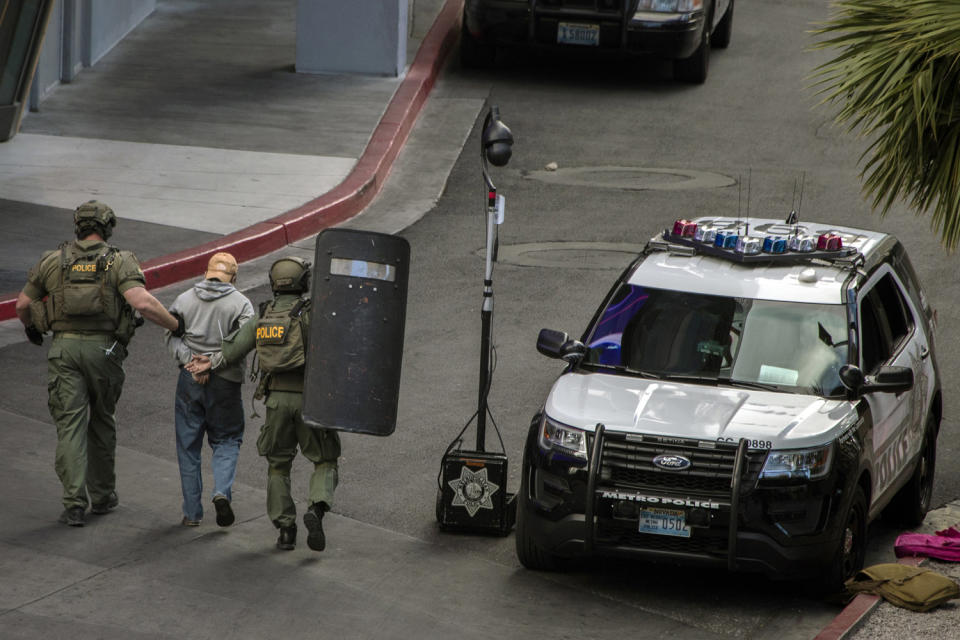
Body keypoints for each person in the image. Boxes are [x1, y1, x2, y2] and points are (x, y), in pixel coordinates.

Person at [14, 200, 184, 527]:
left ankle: (74, 504)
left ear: (77, 226)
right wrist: (176, 326)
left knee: (70, 425)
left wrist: (32, 327)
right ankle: (103, 496)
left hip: (63, 350)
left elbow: (23, 305)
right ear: (107, 228)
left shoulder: (53, 261)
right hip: (105, 352)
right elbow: (142, 303)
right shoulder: (119, 261)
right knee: (102, 420)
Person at [187, 256, 339, 552]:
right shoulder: (314, 314)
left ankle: (285, 530)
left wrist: (209, 362)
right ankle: (317, 508)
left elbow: (232, 349)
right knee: (324, 459)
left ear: (274, 284)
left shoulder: (264, 315)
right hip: (310, 400)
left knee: (278, 466)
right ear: (303, 282)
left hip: (276, 402)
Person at [165, 252, 254, 527]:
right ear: (234, 278)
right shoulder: (241, 304)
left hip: (189, 381)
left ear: (207, 273)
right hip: (225, 382)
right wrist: (212, 364)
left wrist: (191, 363)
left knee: (188, 445)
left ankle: (192, 513)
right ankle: (221, 492)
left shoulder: (183, 300)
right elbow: (245, 342)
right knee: (227, 439)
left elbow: (170, 334)